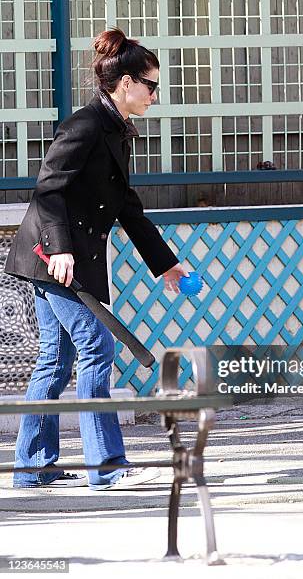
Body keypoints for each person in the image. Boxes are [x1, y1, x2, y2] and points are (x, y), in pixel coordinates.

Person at [4, 27, 187, 490]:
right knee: (96, 346)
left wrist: (165, 262)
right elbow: (48, 189)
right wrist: (61, 248)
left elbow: (126, 204)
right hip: (51, 255)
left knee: (56, 358)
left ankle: (32, 466)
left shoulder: (117, 132)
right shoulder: (84, 125)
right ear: (126, 83)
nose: (155, 96)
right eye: (151, 85)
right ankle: (106, 466)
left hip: (65, 256)